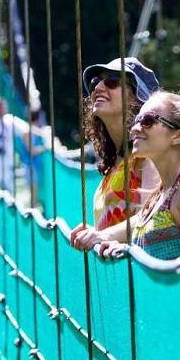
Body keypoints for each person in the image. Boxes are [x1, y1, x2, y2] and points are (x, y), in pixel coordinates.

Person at [70, 91, 180, 260]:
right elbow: (136, 229)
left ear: (178, 136)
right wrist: (103, 237)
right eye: (136, 121)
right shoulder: (158, 197)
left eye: (147, 121)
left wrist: (128, 250)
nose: (134, 129)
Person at [75, 57, 161, 232]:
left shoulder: (149, 155)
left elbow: (153, 217)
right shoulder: (116, 161)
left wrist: (102, 236)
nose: (98, 87)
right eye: (95, 82)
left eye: (112, 81)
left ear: (137, 99)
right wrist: (93, 233)